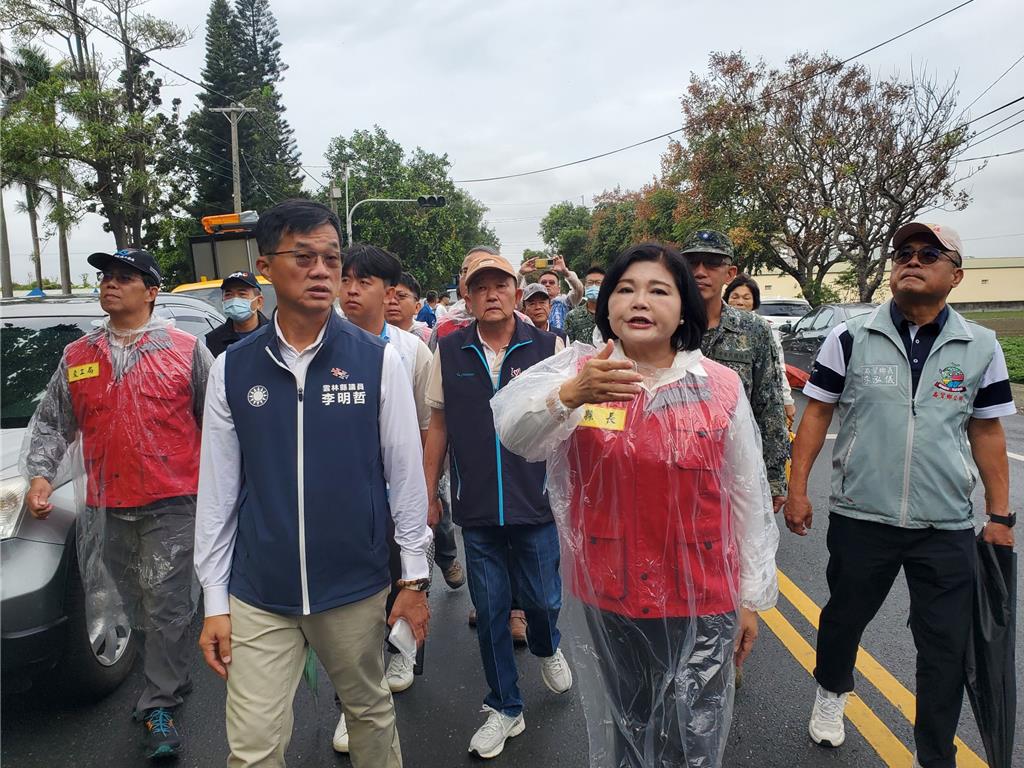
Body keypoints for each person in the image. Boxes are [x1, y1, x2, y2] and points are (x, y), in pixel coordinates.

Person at [492, 242, 779, 768]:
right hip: (613, 594)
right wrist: (571, 396)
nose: (639, 301)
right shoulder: (582, 373)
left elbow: (747, 496)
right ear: (607, 307)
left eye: (658, 290)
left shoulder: (720, 387)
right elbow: (515, 434)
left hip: (704, 596)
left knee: (692, 734)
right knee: (628, 726)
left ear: (684, 308)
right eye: (625, 289)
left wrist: (751, 599)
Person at [194, 200, 432, 768]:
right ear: (265, 267)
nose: (323, 271)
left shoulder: (377, 362)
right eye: (304, 257)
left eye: (331, 258)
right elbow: (219, 492)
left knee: (370, 718)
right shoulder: (233, 368)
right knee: (251, 749)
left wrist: (416, 580)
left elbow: (404, 475)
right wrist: (214, 601)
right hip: (260, 591)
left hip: (353, 585)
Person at [785, 222, 1015, 768]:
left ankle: (934, 754)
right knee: (844, 617)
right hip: (863, 516)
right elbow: (816, 414)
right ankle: (831, 693)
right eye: (903, 253)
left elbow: (987, 432)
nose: (911, 260)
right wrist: (798, 491)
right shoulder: (850, 337)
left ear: (955, 276)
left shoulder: (980, 346)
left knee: (945, 646)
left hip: (947, 525)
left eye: (928, 254)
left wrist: (1000, 514)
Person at [24, 248, 213, 760]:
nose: (111, 284)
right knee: (125, 605)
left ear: (151, 291)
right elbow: (51, 423)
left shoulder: (185, 350)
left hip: (171, 502)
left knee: (168, 605)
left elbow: (218, 425)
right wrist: (41, 475)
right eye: (107, 276)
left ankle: (160, 703)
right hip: (105, 504)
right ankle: (167, 675)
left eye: (125, 277)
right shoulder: (78, 356)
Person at [423, 250, 573, 759]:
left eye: (500, 285)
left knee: (543, 600)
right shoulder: (447, 348)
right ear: (466, 296)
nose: (491, 294)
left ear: (516, 291)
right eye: (480, 286)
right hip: (478, 506)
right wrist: (429, 492)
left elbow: (575, 420)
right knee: (489, 611)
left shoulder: (550, 346)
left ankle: (548, 644)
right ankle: (504, 706)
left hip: (536, 501)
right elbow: (438, 425)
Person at [336, 244, 464, 708]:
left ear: (389, 293)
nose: (350, 290)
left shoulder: (410, 349)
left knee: (408, 574)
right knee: (356, 590)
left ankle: (405, 653)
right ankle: (355, 689)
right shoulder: (325, 344)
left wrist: (429, 491)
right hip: (347, 493)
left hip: (400, 485)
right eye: (344, 279)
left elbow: (432, 427)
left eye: (363, 281)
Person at [681, 229, 789, 512]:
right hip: (676, 465)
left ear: (729, 273)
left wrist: (775, 477)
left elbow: (768, 404)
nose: (700, 272)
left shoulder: (753, 330)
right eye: (692, 263)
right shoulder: (667, 326)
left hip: (737, 467)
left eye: (711, 264)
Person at [724, 273, 796, 425]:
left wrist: (786, 400)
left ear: (754, 301)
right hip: (721, 403)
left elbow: (777, 367)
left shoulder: (763, 329)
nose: (740, 302)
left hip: (753, 404)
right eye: (735, 296)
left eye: (746, 297)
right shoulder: (715, 326)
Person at [205, 271, 270, 357]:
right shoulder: (214, 339)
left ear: (259, 302)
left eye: (242, 294)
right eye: (228, 294)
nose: (235, 299)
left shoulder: (275, 333)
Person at [518, 255, 584, 331]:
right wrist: (520, 274)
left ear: (559, 289)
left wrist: (566, 272)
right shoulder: (527, 302)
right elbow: (513, 298)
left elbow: (579, 290)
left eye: (552, 282)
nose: (547, 285)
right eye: (543, 282)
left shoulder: (565, 302)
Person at [386, 271, 433, 343]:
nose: (392, 301)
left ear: (417, 307)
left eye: (401, 296)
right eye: (387, 295)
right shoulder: (371, 337)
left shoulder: (429, 339)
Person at [564, 265, 605, 344]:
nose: (594, 286)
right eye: (590, 283)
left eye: (598, 283)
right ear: (585, 285)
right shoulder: (572, 316)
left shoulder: (613, 314)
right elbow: (569, 346)